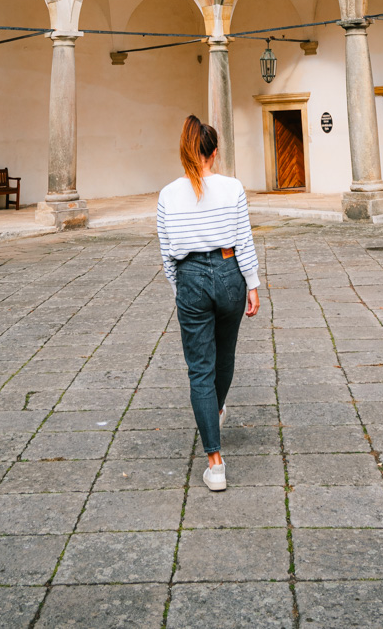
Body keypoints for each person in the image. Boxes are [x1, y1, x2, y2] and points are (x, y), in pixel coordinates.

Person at [157, 115, 260, 492]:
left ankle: (215, 464)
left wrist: (180, 289)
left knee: (200, 368)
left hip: (191, 279)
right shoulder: (232, 188)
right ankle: (215, 410)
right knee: (225, 355)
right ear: (214, 153)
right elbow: (244, 238)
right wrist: (252, 284)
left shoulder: (168, 194)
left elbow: (167, 255)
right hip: (229, 268)